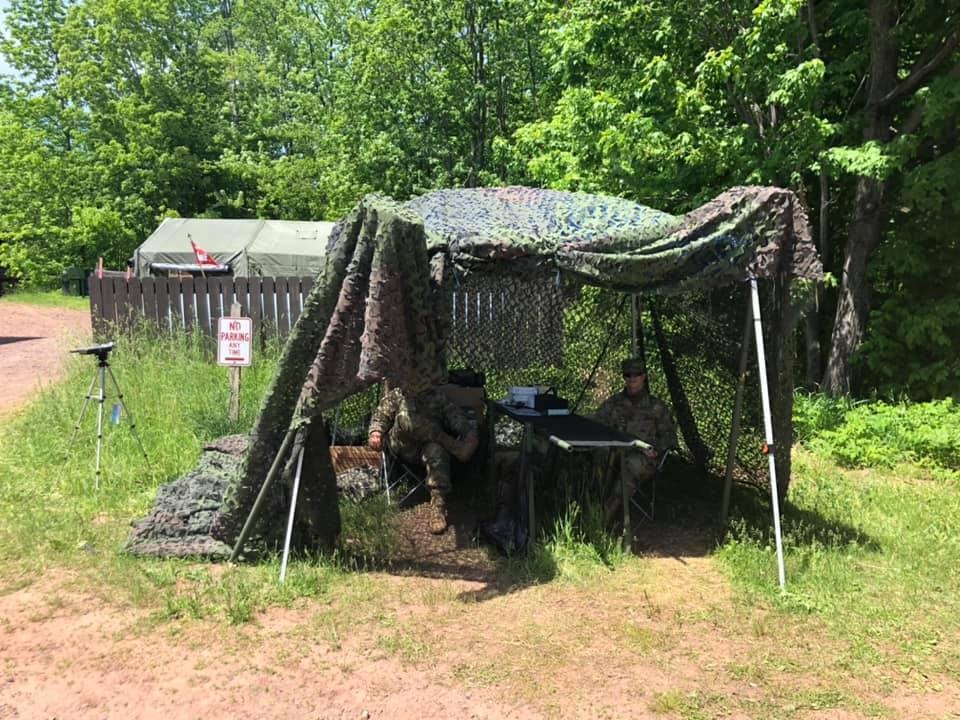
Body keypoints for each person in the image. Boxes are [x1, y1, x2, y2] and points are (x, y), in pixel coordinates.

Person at [368, 380, 479, 534]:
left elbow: (456, 419)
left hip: (427, 447)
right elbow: (380, 417)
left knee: (437, 450)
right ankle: (453, 446)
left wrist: (470, 435)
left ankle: (438, 508)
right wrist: (376, 433)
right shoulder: (398, 394)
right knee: (406, 417)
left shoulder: (438, 397)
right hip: (403, 445)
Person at [592, 357, 678, 522]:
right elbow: (597, 424)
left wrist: (655, 448)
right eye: (628, 374)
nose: (632, 379)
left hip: (642, 457)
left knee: (629, 466)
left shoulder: (656, 407)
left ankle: (603, 520)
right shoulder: (613, 403)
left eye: (637, 374)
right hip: (614, 452)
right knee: (598, 454)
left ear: (644, 376)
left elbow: (670, 437)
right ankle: (590, 505)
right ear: (623, 377)